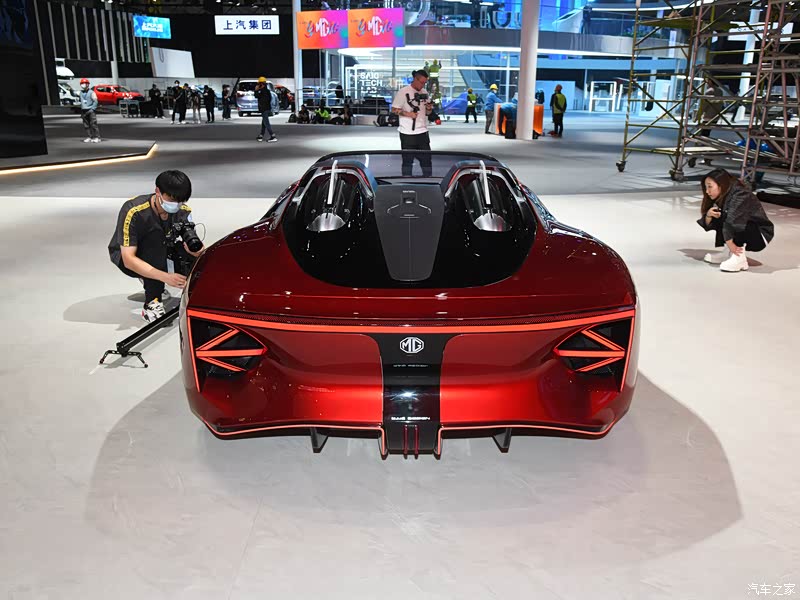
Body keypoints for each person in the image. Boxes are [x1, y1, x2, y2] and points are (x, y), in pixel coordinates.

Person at [108, 170, 205, 322]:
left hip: (165, 247)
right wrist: (165, 277)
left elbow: (192, 242)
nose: (177, 205)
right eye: (172, 199)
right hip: (129, 255)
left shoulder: (183, 211)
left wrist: (197, 252)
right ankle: (152, 303)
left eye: (181, 201)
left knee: (191, 254)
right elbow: (128, 259)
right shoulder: (134, 211)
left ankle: (192, 294)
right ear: (158, 191)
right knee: (155, 244)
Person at [697, 168, 774, 272]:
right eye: (706, 187)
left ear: (721, 184)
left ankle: (739, 257)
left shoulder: (741, 194)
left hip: (759, 235)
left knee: (737, 220)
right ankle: (728, 253)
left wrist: (731, 244)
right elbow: (712, 223)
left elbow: (733, 221)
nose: (707, 191)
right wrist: (708, 216)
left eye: (710, 186)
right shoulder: (723, 195)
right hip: (742, 228)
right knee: (718, 214)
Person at [392, 69, 434, 177]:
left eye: (425, 83)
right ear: (415, 79)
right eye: (421, 82)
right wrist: (408, 114)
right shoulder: (403, 92)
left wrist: (429, 108)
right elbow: (394, 109)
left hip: (422, 132)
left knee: (427, 160)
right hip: (407, 133)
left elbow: (427, 113)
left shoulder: (424, 92)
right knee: (407, 161)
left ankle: (428, 181)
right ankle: (406, 181)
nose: (423, 85)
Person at [255, 76, 277, 142]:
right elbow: (269, 99)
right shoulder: (267, 91)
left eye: (259, 84)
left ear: (261, 84)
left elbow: (256, 96)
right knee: (264, 122)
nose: (258, 85)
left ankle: (273, 136)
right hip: (267, 108)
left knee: (266, 123)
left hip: (264, 109)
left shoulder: (261, 91)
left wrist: (256, 90)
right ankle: (261, 135)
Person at [78, 78, 100, 143]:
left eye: (84, 83)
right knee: (86, 125)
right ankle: (90, 137)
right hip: (83, 111)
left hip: (90, 111)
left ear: (88, 84)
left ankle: (97, 137)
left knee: (93, 124)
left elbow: (95, 101)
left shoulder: (91, 92)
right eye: (82, 83)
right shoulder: (81, 93)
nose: (83, 85)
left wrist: (93, 109)